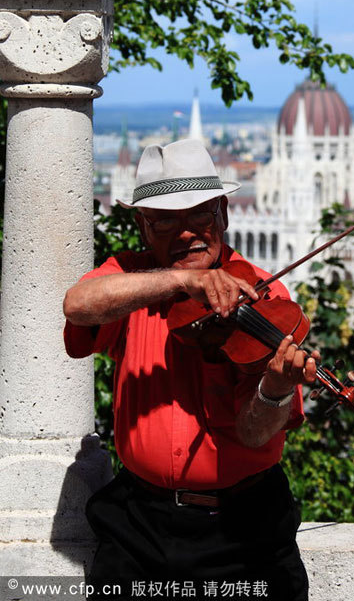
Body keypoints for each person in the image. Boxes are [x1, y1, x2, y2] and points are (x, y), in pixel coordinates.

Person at [63, 139, 317, 599]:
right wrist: (183, 280)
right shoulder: (132, 277)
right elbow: (77, 305)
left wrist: (275, 390)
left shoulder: (264, 300)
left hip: (244, 528)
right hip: (138, 524)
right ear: (143, 226)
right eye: (166, 220)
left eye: (200, 215)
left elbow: (257, 434)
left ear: (223, 213)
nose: (186, 234)